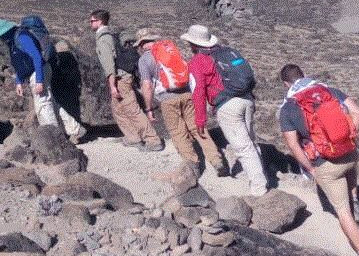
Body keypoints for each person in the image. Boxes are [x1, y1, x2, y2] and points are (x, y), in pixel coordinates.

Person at [278, 63, 359, 256]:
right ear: (303, 76)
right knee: (350, 179)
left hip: (325, 164)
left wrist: (310, 168)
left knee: (343, 212)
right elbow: (358, 113)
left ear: (286, 84)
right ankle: (356, 204)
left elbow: (294, 145)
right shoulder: (328, 91)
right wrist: (349, 137)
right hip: (349, 153)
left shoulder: (288, 108)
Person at [182, 24, 267, 196]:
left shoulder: (197, 61)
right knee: (251, 141)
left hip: (227, 106)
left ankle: (259, 188)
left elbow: (198, 92)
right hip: (246, 99)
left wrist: (200, 119)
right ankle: (263, 177)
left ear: (193, 44)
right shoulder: (227, 52)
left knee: (243, 148)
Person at [135, 28, 227, 180]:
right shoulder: (171, 50)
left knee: (179, 133)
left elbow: (147, 85)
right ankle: (217, 161)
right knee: (198, 128)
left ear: (143, 44)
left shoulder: (144, 59)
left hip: (167, 100)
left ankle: (193, 166)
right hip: (186, 94)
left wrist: (149, 108)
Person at [0, 19, 86, 143]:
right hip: (36, 73)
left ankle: (53, 139)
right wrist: (19, 82)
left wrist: (39, 80)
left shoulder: (22, 38)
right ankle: (76, 130)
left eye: (1, 35)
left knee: (43, 105)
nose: (1, 39)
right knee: (50, 103)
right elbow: (19, 63)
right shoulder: (13, 41)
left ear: (6, 32)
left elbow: (36, 57)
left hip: (39, 71)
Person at [89, 10, 162, 151]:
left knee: (132, 109)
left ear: (100, 21)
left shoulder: (103, 38)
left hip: (120, 79)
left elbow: (109, 65)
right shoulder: (110, 35)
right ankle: (133, 138)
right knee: (118, 109)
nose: (90, 23)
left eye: (92, 21)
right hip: (122, 77)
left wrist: (112, 86)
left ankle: (153, 140)